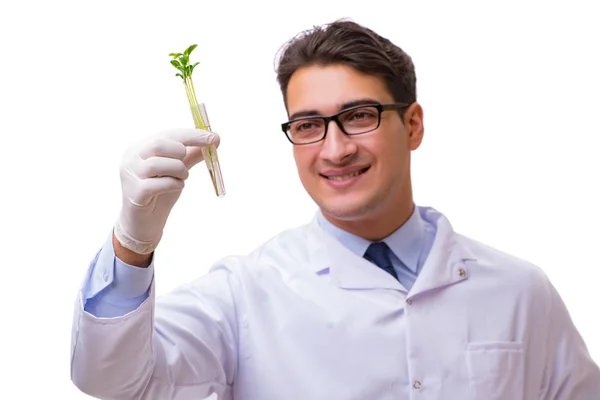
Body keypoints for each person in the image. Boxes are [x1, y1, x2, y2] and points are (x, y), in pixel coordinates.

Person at [70, 19, 600, 400]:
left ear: (412, 125)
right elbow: (114, 381)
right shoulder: (245, 292)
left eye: (359, 115)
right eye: (307, 125)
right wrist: (132, 246)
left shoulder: (519, 291)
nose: (335, 148)